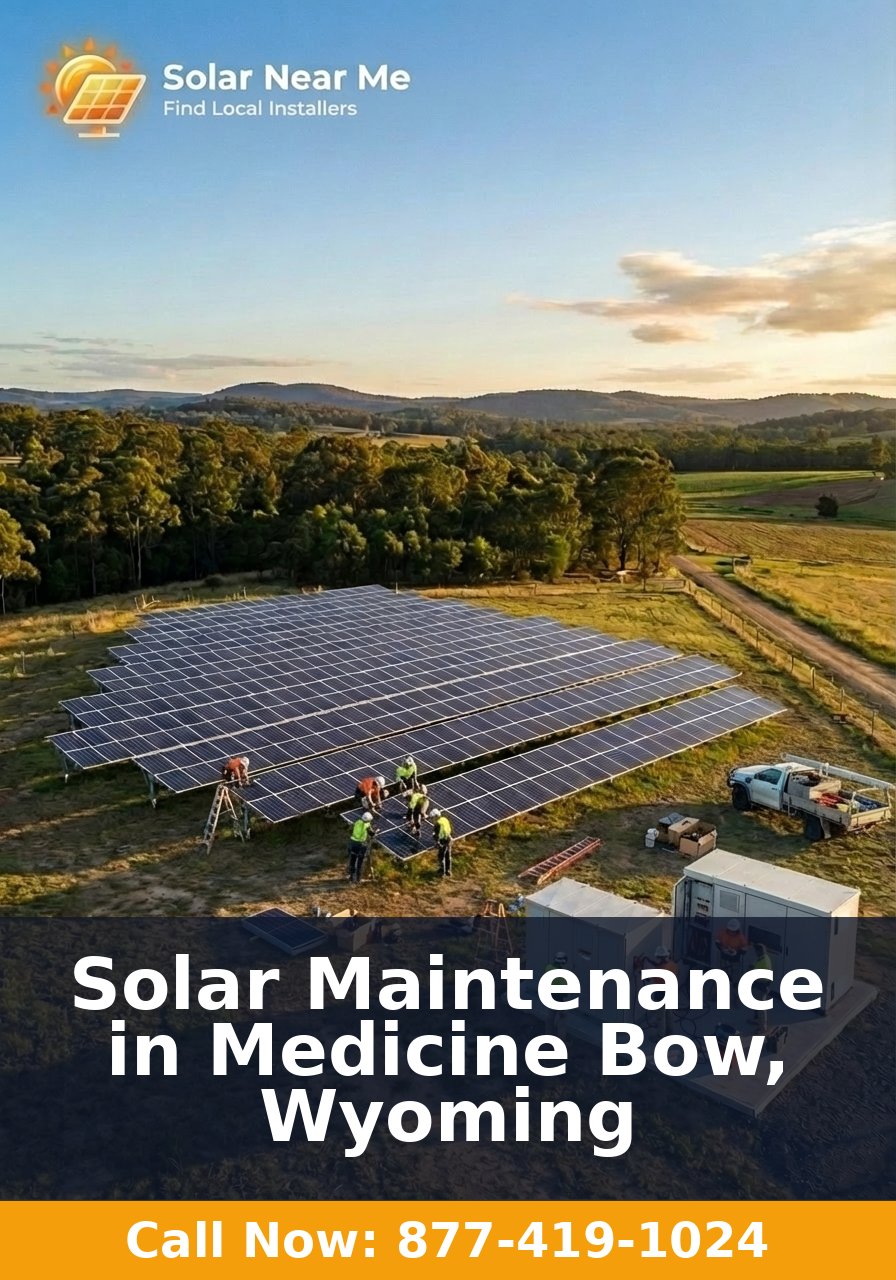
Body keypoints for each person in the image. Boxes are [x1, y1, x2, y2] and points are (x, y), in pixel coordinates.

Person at [347, 812, 374, 884]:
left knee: (352, 860)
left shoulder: (357, 822)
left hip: (352, 843)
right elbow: (372, 833)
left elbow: (351, 830)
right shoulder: (367, 825)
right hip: (360, 845)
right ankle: (358, 879)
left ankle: (351, 877)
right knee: (360, 862)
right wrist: (375, 832)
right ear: (368, 820)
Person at [430, 809, 453, 877]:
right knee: (448, 856)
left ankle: (442, 872)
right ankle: (448, 871)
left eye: (432, 818)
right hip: (449, 839)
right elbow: (449, 828)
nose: (432, 820)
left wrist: (437, 843)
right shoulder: (444, 819)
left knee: (441, 856)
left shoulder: (437, 824)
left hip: (443, 841)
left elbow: (437, 835)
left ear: (436, 816)